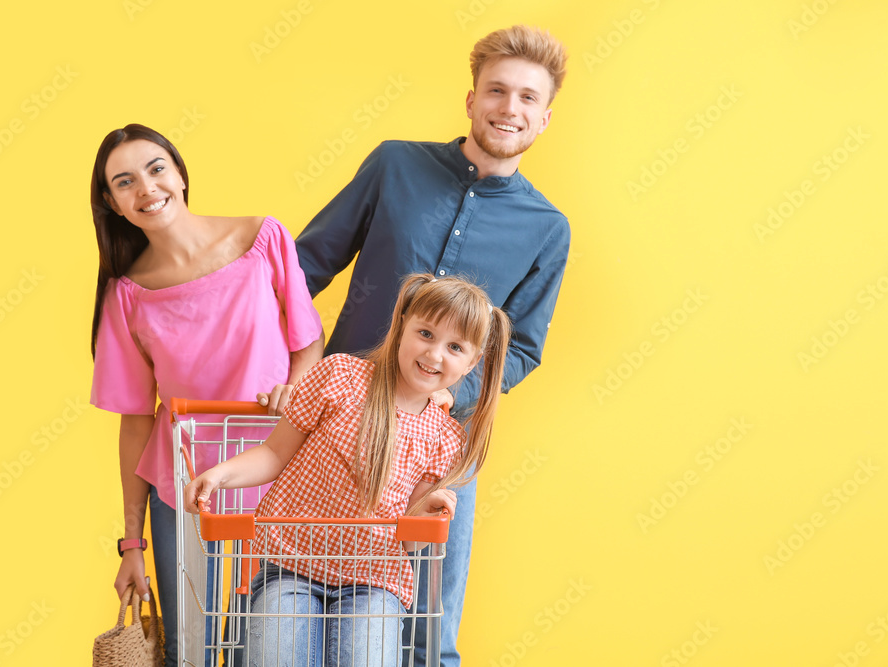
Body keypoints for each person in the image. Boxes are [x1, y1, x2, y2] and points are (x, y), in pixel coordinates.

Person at [293, 25, 570, 665]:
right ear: (471, 99)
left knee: (428, 631)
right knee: (292, 597)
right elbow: (305, 268)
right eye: (497, 90)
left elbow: (520, 348)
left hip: (443, 449)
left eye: (528, 98)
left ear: (545, 118)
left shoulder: (547, 228)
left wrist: (440, 395)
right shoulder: (395, 164)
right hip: (336, 424)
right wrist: (278, 360)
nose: (510, 107)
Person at [184, 273, 511, 666]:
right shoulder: (339, 376)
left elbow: (408, 539)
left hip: (375, 580)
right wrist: (221, 474)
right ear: (402, 323)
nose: (434, 354)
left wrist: (424, 516)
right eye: (425, 333)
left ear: (473, 361)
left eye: (454, 346)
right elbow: (274, 453)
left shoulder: (444, 437)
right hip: (290, 566)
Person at [88, 123, 324, 666]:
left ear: (180, 172)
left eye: (155, 169)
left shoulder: (263, 238)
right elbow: (135, 421)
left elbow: (307, 344)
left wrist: (295, 387)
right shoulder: (128, 295)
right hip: (182, 489)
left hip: (278, 478)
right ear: (112, 203)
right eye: (125, 182)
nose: (146, 189)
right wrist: (132, 544)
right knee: (190, 648)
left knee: (261, 648)